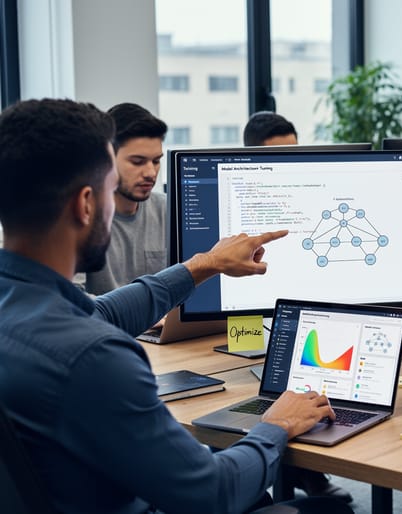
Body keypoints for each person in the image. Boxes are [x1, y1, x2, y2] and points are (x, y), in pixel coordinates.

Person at [0, 98, 352, 514]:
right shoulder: (95, 357)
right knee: (330, 510)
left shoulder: (23, 299)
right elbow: (211, 494)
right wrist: (277, 423)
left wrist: (205, 264)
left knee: (256, 490)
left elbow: (104, 312)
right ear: (86, 204)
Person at [243, 110, 353, 503]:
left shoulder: (313, 200)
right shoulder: (247, 204)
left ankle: (302, 473)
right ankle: (291, 474)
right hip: (249, 325)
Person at [82, 102, 168, 295]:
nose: (150, 173)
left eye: (156, 161)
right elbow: (73, 300)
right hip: (105, 324)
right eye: (137, 162)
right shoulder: (81, 217)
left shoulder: (168, 210)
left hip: (164, 325)